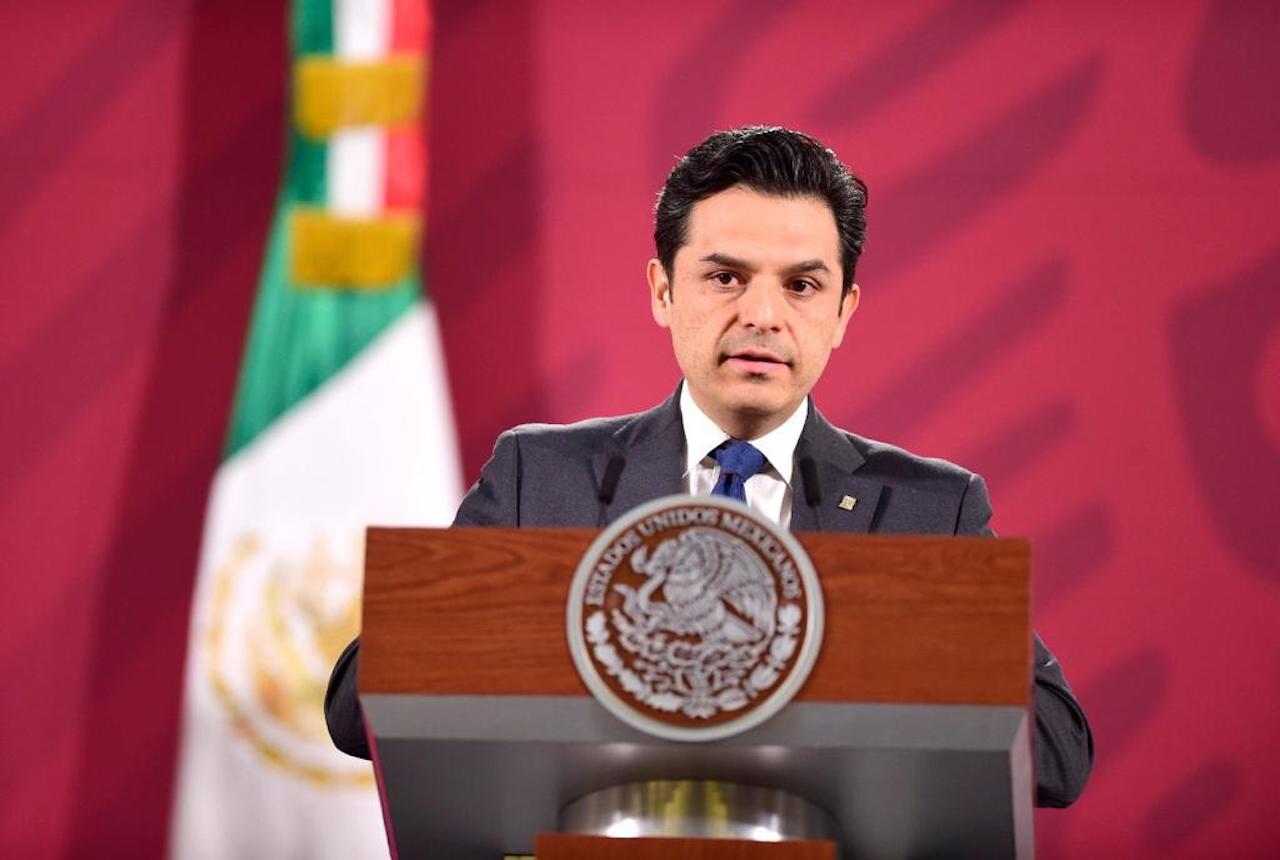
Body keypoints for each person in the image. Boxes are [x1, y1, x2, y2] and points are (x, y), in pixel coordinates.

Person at [325, 126, 1094, 807]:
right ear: (663, 291)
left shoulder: (930, 510)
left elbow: (1059, 752)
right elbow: (360, 704)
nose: (762, 315)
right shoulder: (541, 476)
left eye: (801, 286)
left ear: (843, 313)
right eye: (726, 278)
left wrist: (859, 650)